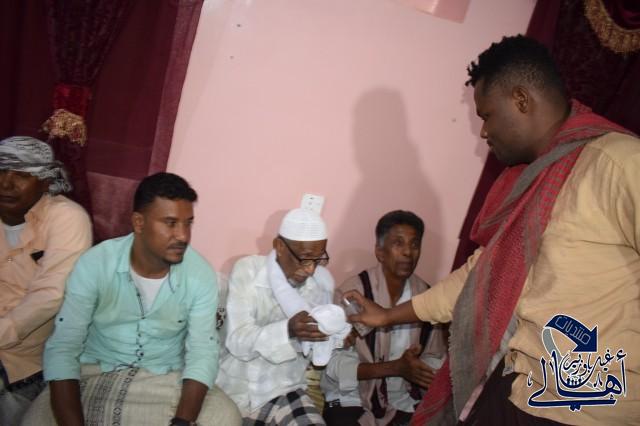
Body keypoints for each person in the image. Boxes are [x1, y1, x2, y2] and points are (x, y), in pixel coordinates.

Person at [346, 35, 640, 426]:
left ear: (521, 100)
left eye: (486, 115)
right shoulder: (533, 182)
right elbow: (480, 276)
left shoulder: (619, 163)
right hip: (523, 386)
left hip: (590, 409)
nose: (483, 132)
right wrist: (386, 316)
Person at [22, 172, 241, 426]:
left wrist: (182, 422)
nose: (183, 235)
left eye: (188, 223)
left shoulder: (199, 274)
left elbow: (202, 351)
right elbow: (64, 346)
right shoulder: (96, 263)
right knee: (36, 421)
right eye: (170, 223)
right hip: (92, 372)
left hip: (163, 378)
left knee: (225, 417)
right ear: (138, 222)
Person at [216, 208, 349, 425]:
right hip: (236, 388)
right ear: (279, 246)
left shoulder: (321, 285)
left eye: (318, 260)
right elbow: (237, 341)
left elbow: (315, 355)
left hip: (284, 388)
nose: (310, 270)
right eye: (304, 259)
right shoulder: (249, 270)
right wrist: (288, 330)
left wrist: (336, 338)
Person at [322, 210, 447, 426]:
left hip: (402, 397)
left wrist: (424, 370)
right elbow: (334, 366)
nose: (408, 252)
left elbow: (433, 356)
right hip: (351, 395)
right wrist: (395, 368)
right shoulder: (353, 295)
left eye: (415, 244)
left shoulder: (426, 298)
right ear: (379, 252)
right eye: (398, 243)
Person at [0, 136, 92, 425]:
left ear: (45, 181)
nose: (6, 183)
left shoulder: (67, 218)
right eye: (1, 171)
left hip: (26, 363)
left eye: (21, 175)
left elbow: (50, 294)